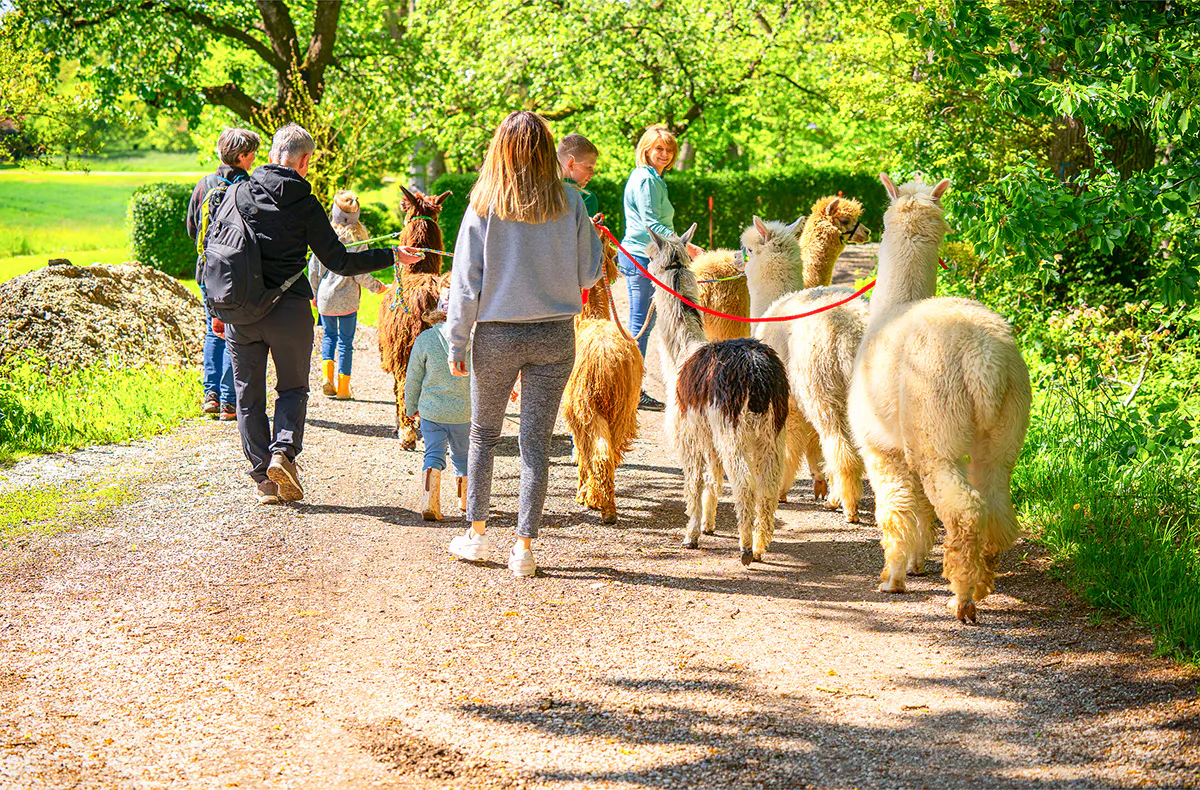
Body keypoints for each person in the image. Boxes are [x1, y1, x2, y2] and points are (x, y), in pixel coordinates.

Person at [223, 123, 424, 505]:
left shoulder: (237, 192)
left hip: (240, 311)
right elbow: (339, 260)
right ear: (304, 161)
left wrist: (218, 307)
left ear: (270, 154)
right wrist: (391, 254)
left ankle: (263, 477)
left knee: (249, 395)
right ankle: (283, 452)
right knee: (292, 387)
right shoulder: (305, 203)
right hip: (288, 310)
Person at [445, 111, 603, 578]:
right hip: (555, 332)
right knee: (535, 443)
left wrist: (457, 343)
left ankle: (476, 535)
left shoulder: (484, 204)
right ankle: (524, 548)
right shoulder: (571, 201)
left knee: (483, 435)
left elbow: (464, 283)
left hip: (497, 333)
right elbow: (590, 274)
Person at [618, 124, 702, 410]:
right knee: (641, 323)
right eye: (659, 149)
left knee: (647, 321)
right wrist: (684, 246)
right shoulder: (646, 180)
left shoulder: (653, 178)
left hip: (653, 255)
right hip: (643, 256)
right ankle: (630, 389)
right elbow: (651, 224)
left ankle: (631, 386)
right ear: (646, 149)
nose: (665, 154)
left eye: (669, 150)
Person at [186, 127, 260, 421]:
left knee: (211, 331)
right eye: (252, 153)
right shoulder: (248, 188)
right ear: (242, 156)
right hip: (237, 274)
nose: (254, 157)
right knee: (234, 331)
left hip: (207, 271)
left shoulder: (204, 185)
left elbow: (192, 228)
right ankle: (230, 402)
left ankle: (211, 397)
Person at [308, 189, 386, 401]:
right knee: (345, 342)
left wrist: (314, 294)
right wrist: (377, 287)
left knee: (329, 337)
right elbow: (360, 273)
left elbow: (314, 270)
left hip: (326, 298)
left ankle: (327, 377)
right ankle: (343, 388)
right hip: (348, 299)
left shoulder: (324, 237)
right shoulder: (358, 239)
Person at [405, 288, 471, 522]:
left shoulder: (426, 339)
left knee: (433, 454)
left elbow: (413, 377)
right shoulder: (475, 339)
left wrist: (410, 406)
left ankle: (429, 502)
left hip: (432, 411)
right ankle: (465, 502)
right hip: (464, 411)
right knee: (463, 456)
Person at [558, 133, 599, 217]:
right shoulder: (586, 198)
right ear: (571, 164)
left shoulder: (543, 192)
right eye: (589, 167)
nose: (592, 174)